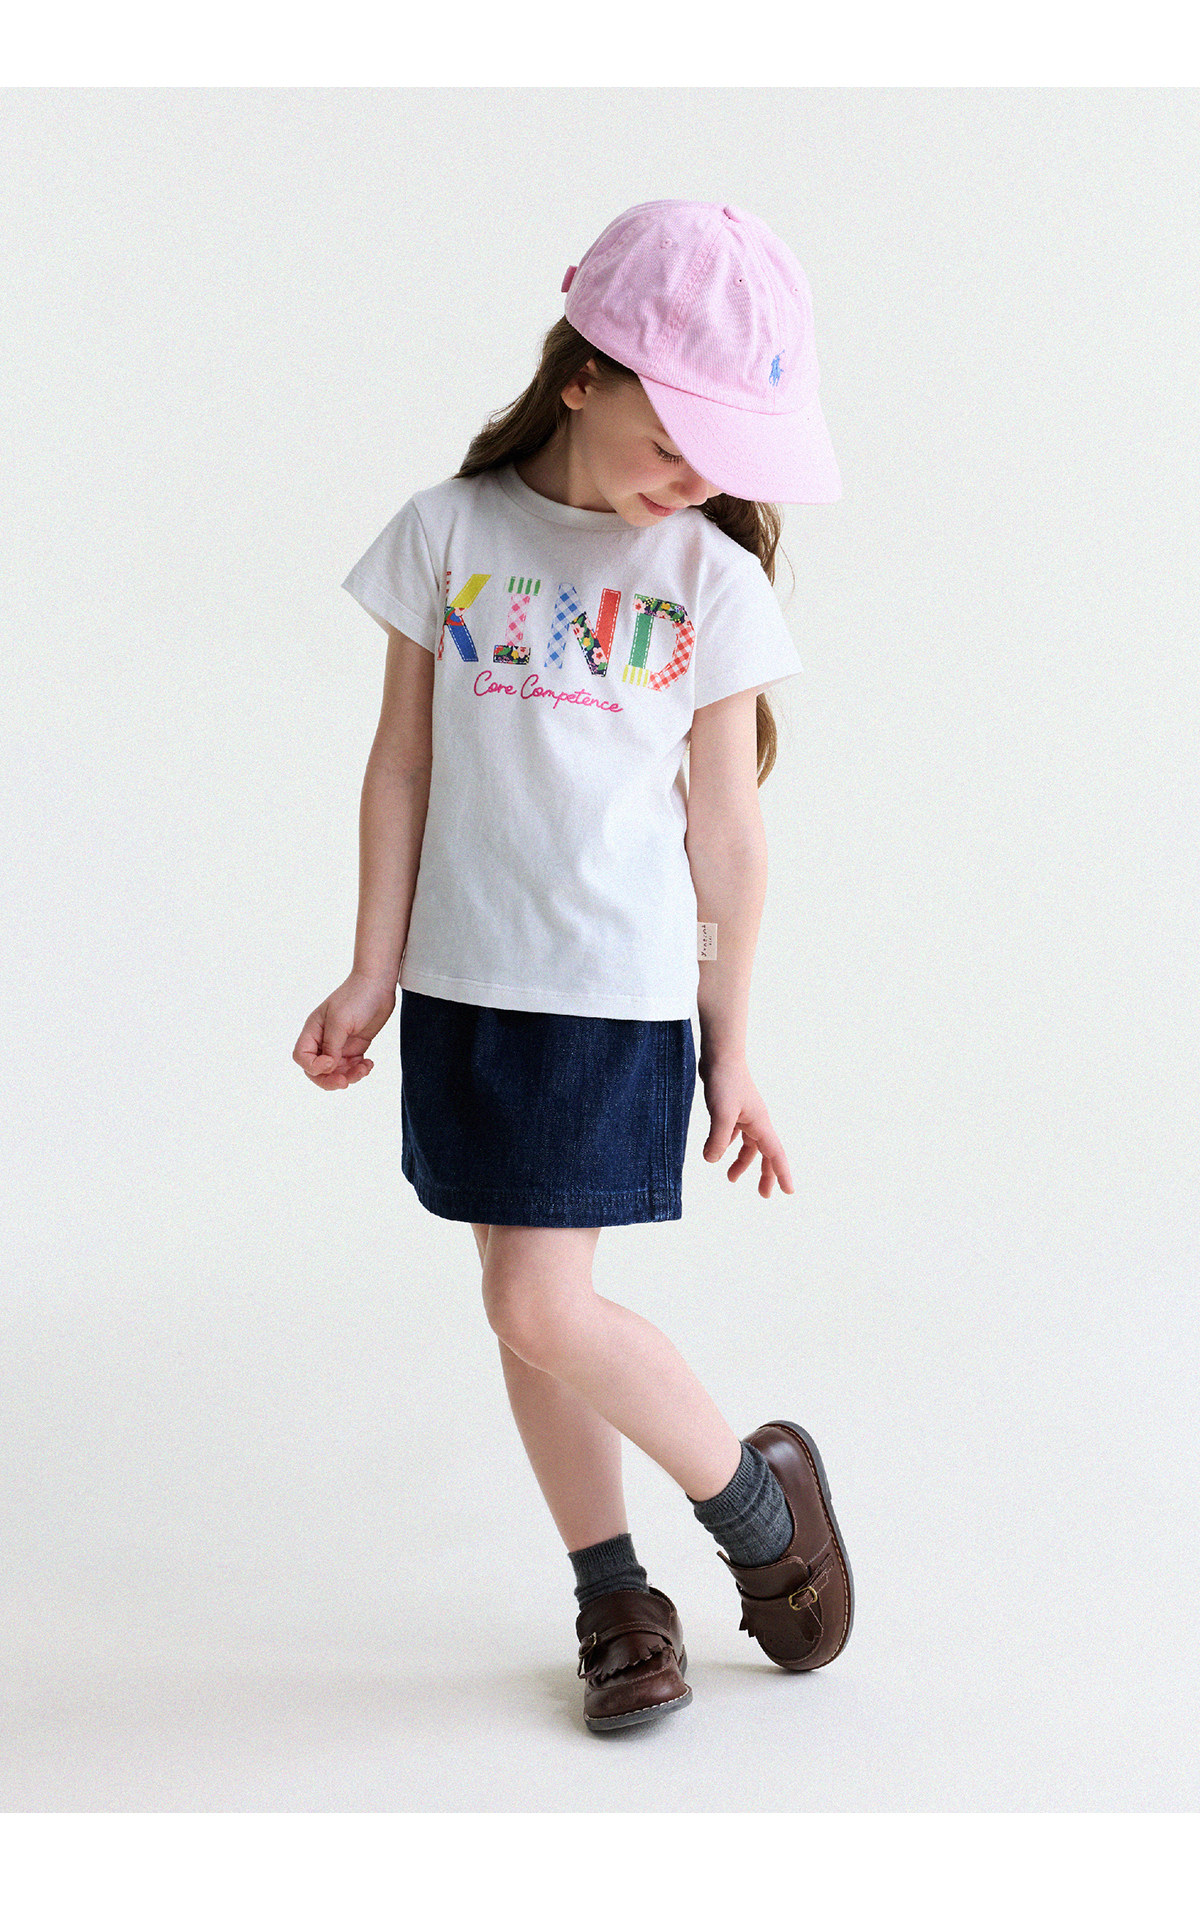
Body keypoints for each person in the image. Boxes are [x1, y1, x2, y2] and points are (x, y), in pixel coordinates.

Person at [293, 200, 854, 1733]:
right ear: (582, 377)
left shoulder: (709, 580)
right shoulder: (447, 533)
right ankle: (614, 1595)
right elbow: (400, 767)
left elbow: (728, 837)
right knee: (517, 1303)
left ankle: (759, 1508)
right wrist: (372, 970)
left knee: (543, 1304)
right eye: (676, 443)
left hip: (610, 1004)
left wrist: (732, 1044)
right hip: (464, 993)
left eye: (725, 458)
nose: (698, 483)